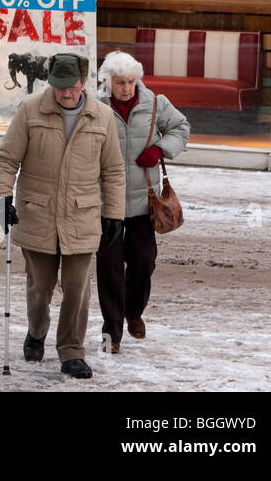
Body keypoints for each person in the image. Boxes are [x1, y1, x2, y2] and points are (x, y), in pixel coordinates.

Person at [0, 52, 125, 379]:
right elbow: (7, 159)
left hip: (82, 216)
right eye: (59, 87)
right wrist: (0, 198)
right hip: (38, 214)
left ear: (84, 83)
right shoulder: (30, 110)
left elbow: (113, 171)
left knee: (77, 289)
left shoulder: (102, 117)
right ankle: (36, 331)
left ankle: (71, 351)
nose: (65, 93)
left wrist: (115, 215)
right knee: (40, 289)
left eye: (72, 87)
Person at [95, 51, 190, 353]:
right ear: (107, 81)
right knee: (108, 268)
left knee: (144, 260)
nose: (126, 88)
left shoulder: (155, 104)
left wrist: (160, 149)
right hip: (104, 200)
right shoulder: (94, 107)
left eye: (131, 82)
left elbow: (181, 127)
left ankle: (133, 311)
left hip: (142, 200)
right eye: (120, 82)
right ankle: (113, 333)